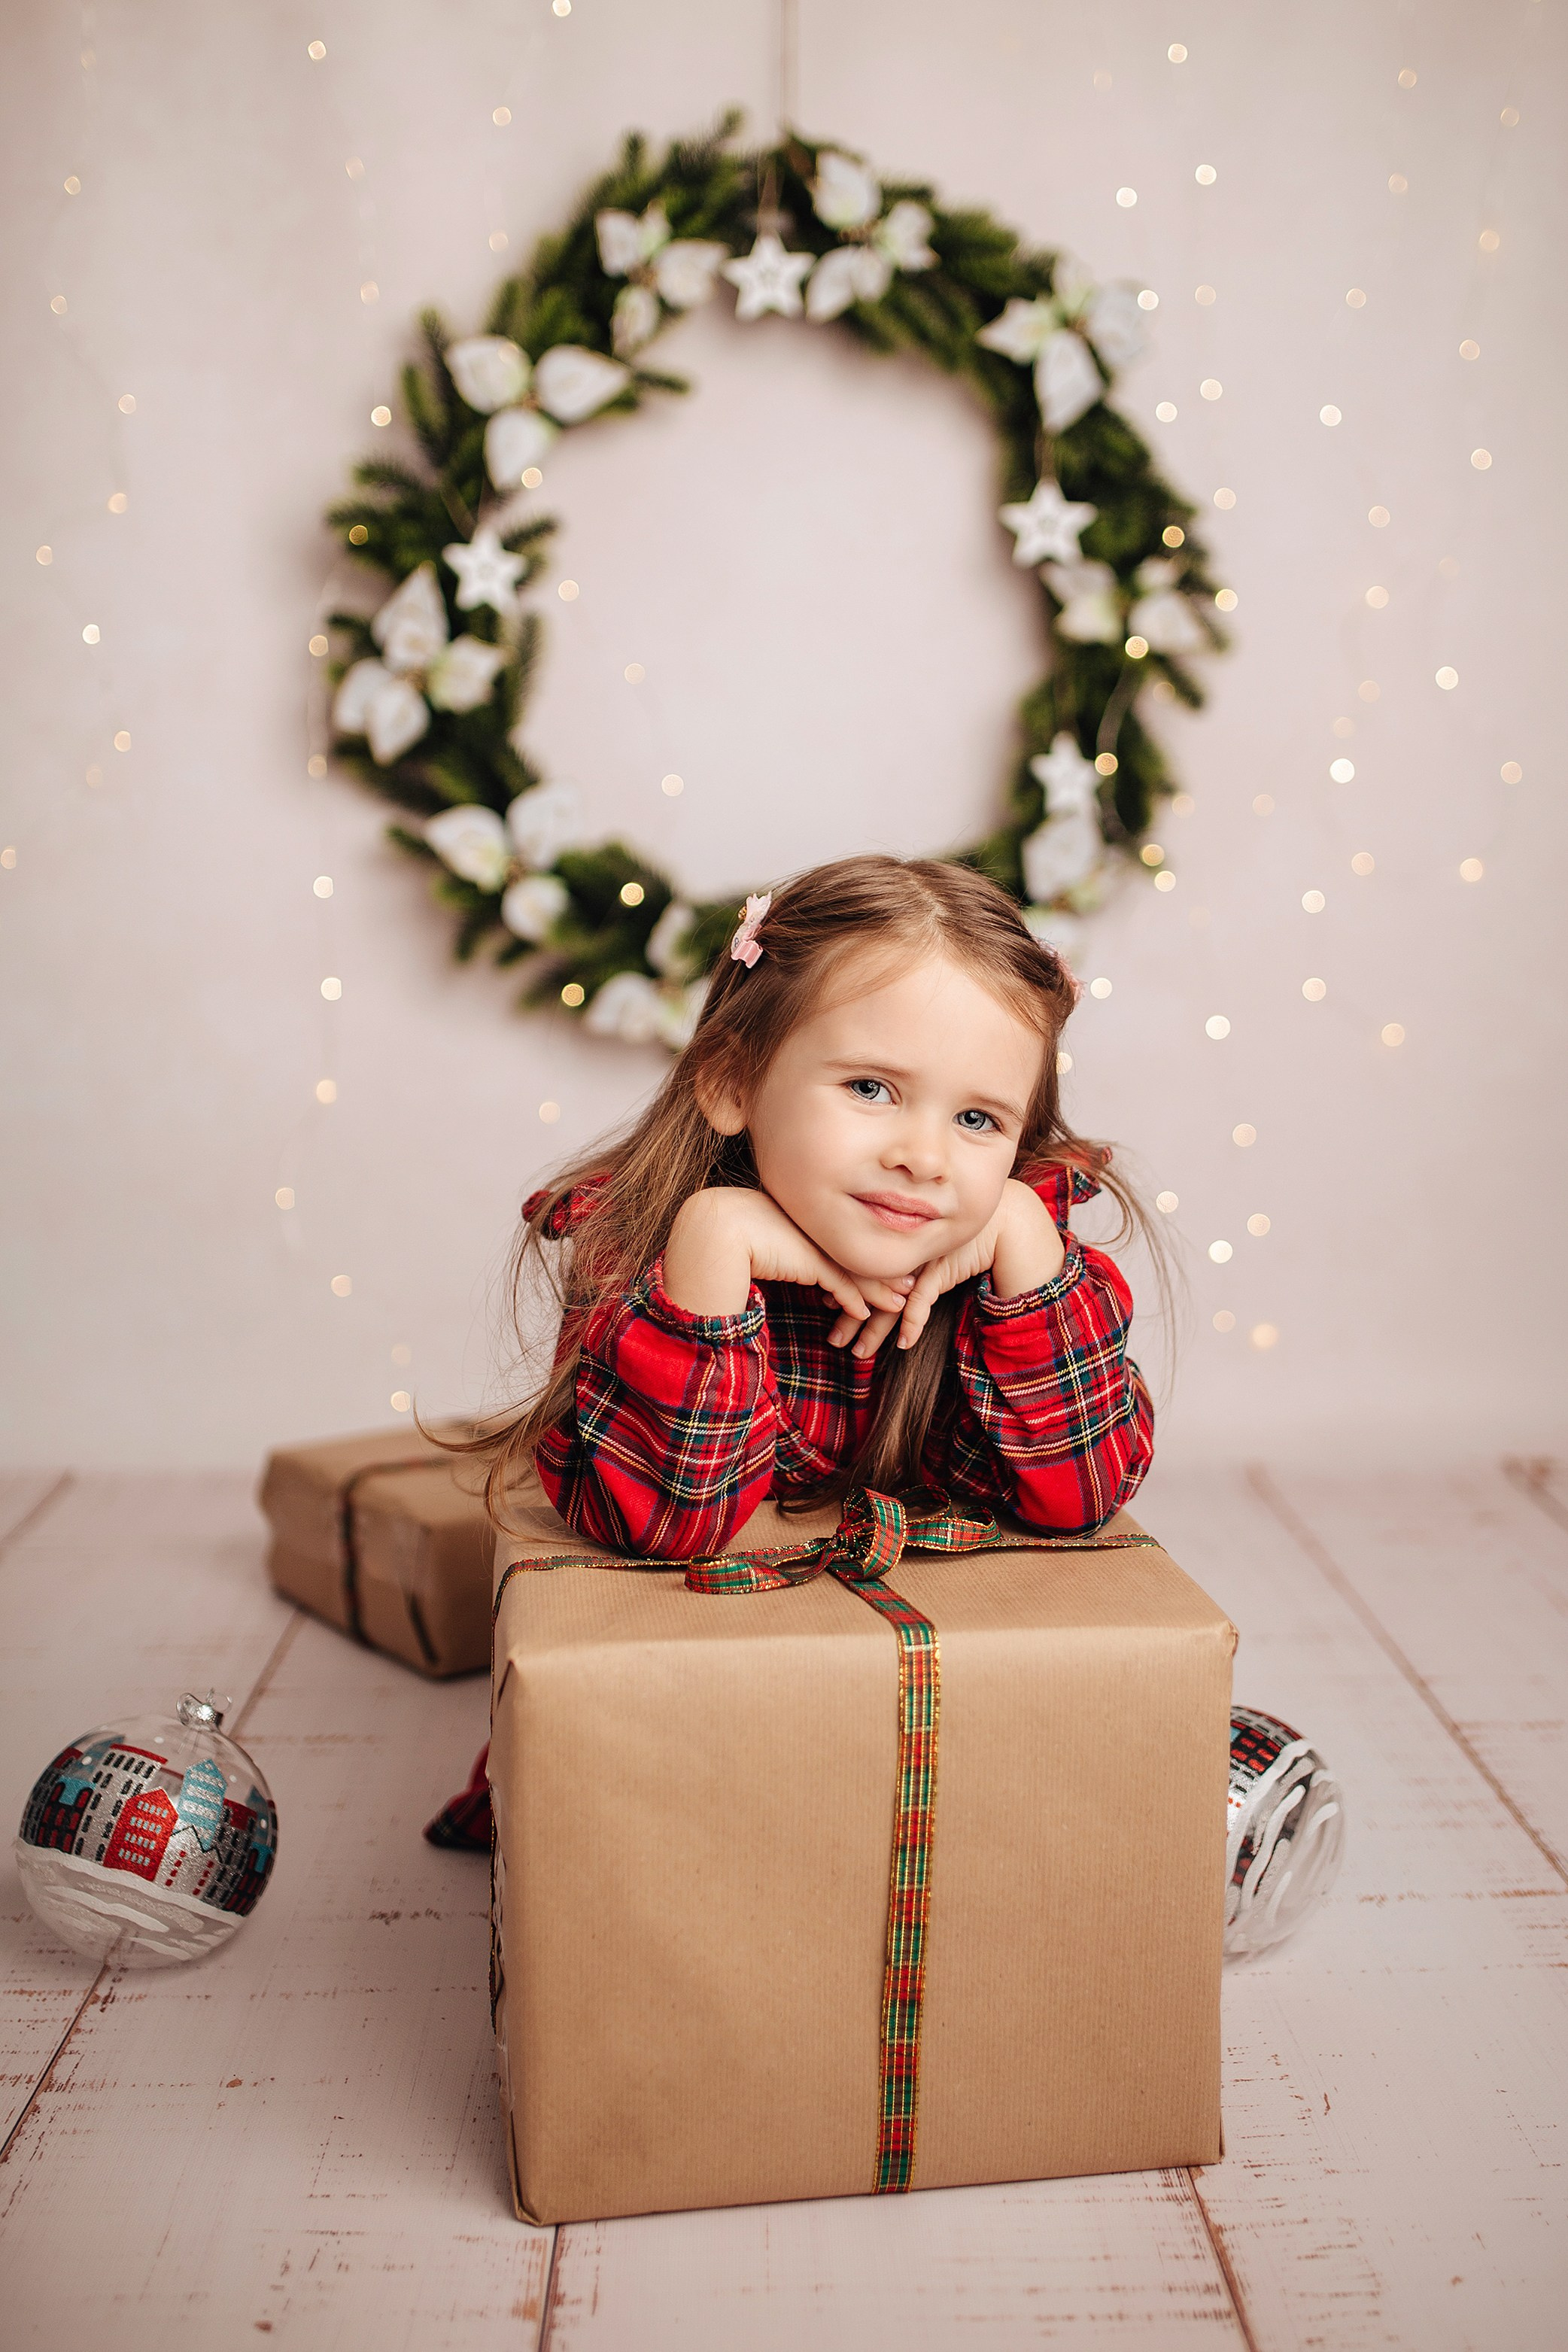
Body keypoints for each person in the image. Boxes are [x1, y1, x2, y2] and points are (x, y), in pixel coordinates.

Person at [479, 853, 1153, 1557]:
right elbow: (655, 1528)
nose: (924, 1159)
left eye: (979, 1120)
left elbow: (1084, 1500)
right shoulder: (646, 1250)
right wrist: (714, 1239)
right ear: (733, 1084)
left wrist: (1024, 1235)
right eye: (870, 1088)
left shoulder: (1015, 1252)